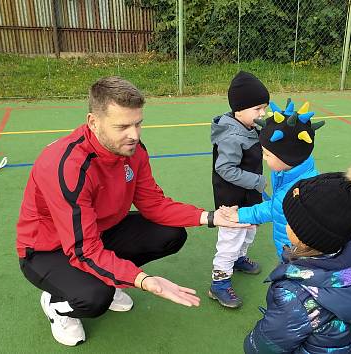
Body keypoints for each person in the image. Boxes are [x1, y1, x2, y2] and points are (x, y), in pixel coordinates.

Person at [16, 76, 248, 346]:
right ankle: (58, 305)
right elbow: (83, 249)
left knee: (171, 235)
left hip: (99, 232)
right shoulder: (66, 166)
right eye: (123, 126)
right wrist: (143, 280)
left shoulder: (133, 150)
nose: (135, 135)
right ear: (93, 122)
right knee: (95, 297)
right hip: (48, 249)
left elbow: (153, 203)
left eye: (138, 123)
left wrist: (211, 217)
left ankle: (110, 276)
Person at [244, 157, 351, 353]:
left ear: (308, 236)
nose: (286, 226)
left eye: (291, 223)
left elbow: (263, 348)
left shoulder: (296, 296)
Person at [222, 99, 324, 259]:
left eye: (267, 154)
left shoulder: (297, 189)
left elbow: (275, 209)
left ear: (289, 156)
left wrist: (240, 215)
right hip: (291, 247)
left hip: (297, 253)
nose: (264, 158)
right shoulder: (292, 170)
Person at [208, 71, 269, 308]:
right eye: (258, 109)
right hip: (232, 199)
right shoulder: (231, 136)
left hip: (249, 196)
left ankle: (239, 259)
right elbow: (225, 168)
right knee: (230, 239)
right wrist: (256, 182)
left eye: (264, 107)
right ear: (239, 110)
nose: (263, 113)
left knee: (249, 230)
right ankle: (219, 284)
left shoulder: (250, 126)